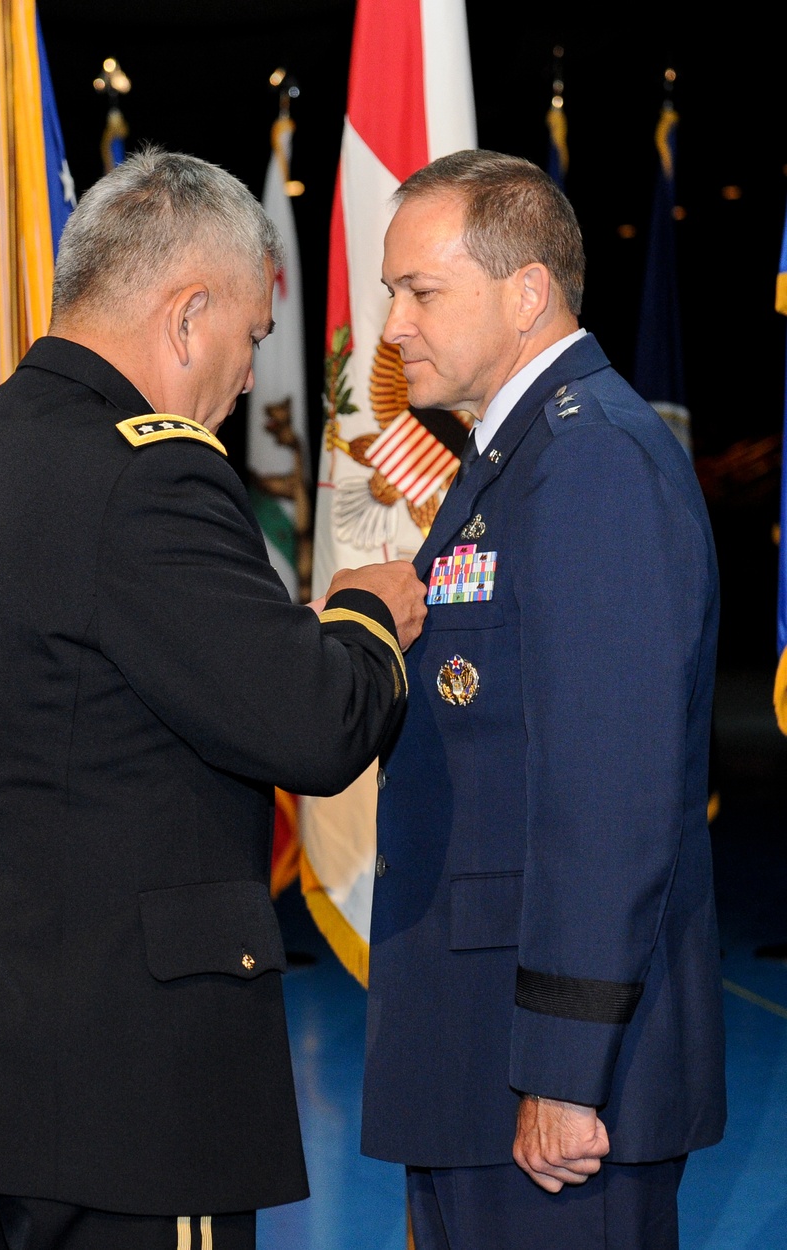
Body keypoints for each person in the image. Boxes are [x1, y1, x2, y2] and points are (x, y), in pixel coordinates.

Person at [0, 147, 427, 1250]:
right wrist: (367, 612)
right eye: (251, 338)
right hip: (118, 1096)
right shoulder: (147, 474)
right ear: (186, 316)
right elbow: (312, 719)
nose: (243, 379)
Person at [361, 150, 725, 1249]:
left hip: (552, 1079)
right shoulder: (512, 460)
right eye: (390, 293)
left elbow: (610, 793)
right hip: (479, 1049)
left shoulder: (591, 463)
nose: (392, 326)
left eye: (420, 291)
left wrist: (566, 1066)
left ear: (526, 291)